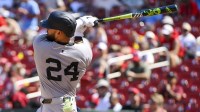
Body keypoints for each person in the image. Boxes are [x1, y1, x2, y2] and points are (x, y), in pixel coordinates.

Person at [33, 11, 97, 112]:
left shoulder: (40, 46)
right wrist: (78, 29)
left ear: (59, 33)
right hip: (68, 106)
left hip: (51, 106)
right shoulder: (84, 52)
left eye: (49, 28)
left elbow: (44, 37)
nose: (47, 30)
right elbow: (79, 41)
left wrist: (79, 22)